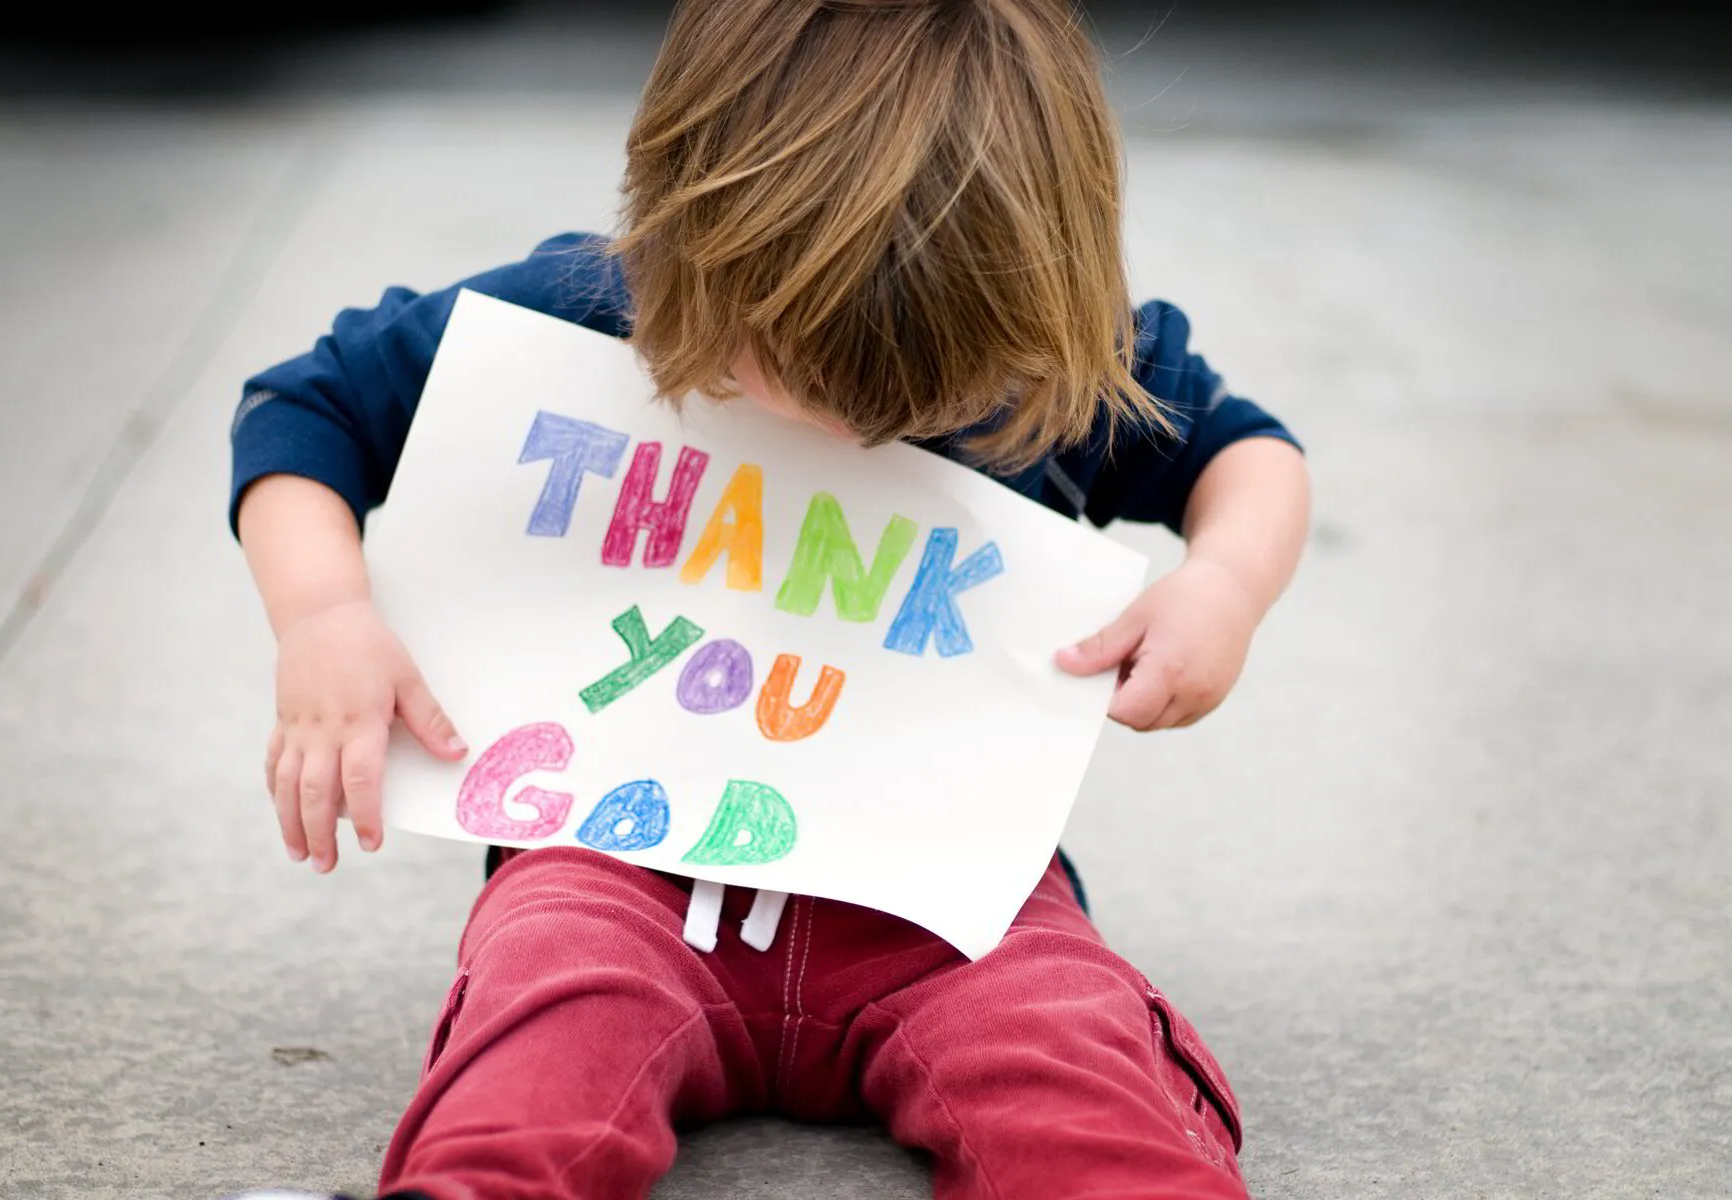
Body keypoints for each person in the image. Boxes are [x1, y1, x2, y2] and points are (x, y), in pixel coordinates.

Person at [226, 1, 1309, 1197]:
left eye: (928, 402)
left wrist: (1226, 582)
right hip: (614, 862)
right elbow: (307, 407)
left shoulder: (1047, 343)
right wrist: (324, 613)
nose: (856, 429)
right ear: (694, 239)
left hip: (944, 891)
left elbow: (1246, 453)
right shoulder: (588, 307)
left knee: (1062, 1038)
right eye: (798, 372)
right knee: (549, 1013)